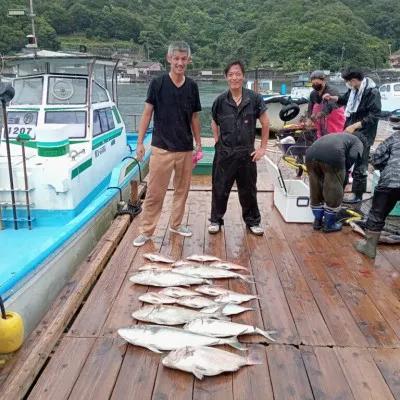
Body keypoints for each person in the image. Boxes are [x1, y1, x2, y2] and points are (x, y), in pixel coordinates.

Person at [133, 41, 202, 247]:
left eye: (184, 59)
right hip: (161, 148)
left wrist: (198, 143)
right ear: (169, 59)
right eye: (176, 58)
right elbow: (147, 114)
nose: (179, 63)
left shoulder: (192, 87)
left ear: (188, 61)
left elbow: (194, 118)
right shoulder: (158, 83)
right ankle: (146, 231)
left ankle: (176, 224)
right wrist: (139, 143)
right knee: (155, 192)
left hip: (184, 149)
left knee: (182, 191)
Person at [208, 61, 270, 235]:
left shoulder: (254, 99)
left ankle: (252, 221)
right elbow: (214, 122)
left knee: (248, 189)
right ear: (226, 77)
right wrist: (216, 141)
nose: (234, 77)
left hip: (247, 152)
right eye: (231, 74)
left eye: (237, 74)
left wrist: (262, 148)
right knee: (219, 188)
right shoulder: (220, 101)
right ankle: (215, 220)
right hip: (224, 153)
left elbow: (265, 123)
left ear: (243, 76)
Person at [323, 66, 382, 203]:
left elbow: (374, 116)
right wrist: (332, 98)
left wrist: (355, 126)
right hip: (350, 130)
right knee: (344, 160)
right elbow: (344, 100)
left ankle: (357, 194)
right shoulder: (354, 90)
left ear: (354, 80)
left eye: (348, 81)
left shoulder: (372, 92)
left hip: (364, 134)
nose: (348, 84)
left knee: (360, 165)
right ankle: (339, 190)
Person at [305, 133, 364, 232]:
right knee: (333, 190)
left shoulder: (342, 137)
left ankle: (317, 222)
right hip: (333, 154)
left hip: (310, 154)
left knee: (316, 189)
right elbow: (353, 156)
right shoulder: (358, 142)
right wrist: (344, 170)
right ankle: (329, 224)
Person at [355, 131, 400, 258]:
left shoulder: (396, 136)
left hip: (391, 180)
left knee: (377, 214)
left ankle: (369, 249)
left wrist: (384, 168)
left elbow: (377, 156)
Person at [306, 70, 345, 138]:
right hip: (321, 120)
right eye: (313, 83)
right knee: (321, 136)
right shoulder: (313, 93)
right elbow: (310, 107)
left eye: (317, 83)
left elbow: (331, 106)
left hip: (335, 119)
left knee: (335, 137)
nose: (315, 85)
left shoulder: (332, 90)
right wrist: (309, 118)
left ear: (323, 81)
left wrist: (320, 114)